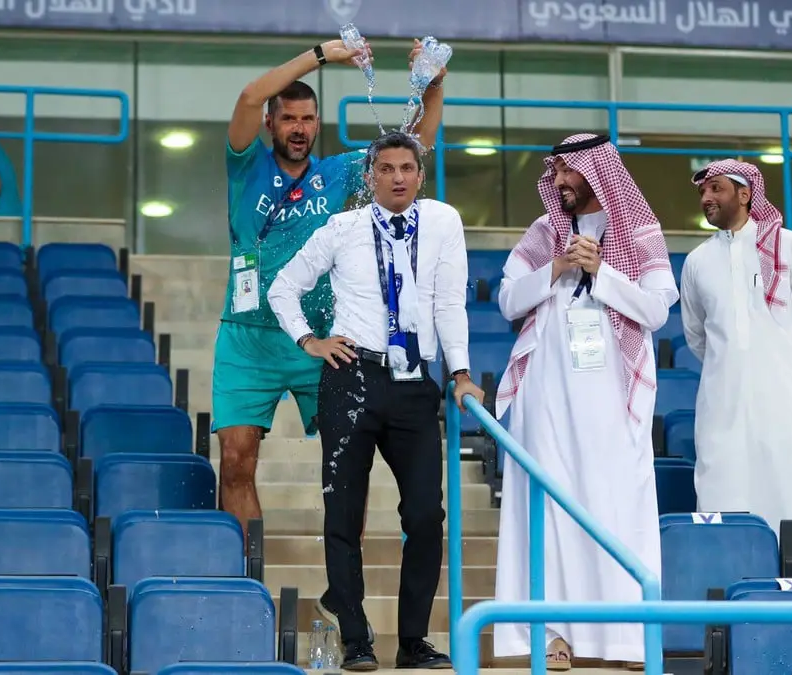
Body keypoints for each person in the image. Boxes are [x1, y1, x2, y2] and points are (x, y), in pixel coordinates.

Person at [213, 39, 446, 534]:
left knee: (347, 470)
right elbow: (250, 97)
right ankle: (246, 585)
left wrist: (434, 87)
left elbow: (412, 149)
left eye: (308, 119)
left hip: (324, 340)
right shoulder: (245, 166)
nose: (299, 129)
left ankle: (343, 594)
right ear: (272, 125)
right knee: (235, 460)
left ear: (318, 125)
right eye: (289, 118)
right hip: (247, 339)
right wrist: (320, 56)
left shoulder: (337, 173)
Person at [269, 130, 482, 670]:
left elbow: (451, 301)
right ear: (371, 176)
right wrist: (309, 341)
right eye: (385, 168)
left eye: (406, 167)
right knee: (342, 515)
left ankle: (413, 641)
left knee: (427, 515)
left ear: (420, 174)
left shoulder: (442, 222)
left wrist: (460, 372)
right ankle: (356, 640)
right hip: (351, 380)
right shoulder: (342, 228)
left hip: (414, 384)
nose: (397, 177)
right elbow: (282, 287)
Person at [492, 133, 677, 670]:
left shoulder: (638, 231)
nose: (560, 182)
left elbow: (658, 310)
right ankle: (551, 636)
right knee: (547, 508)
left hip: (610, 397)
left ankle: (622, 639)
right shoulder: (544, 231)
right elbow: (507, 299)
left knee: (613, 505)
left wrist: (602, 271)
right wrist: (554, 268)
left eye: (569, 172)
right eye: (556, 173)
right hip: (546, 393)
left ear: (598, 173)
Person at [680, 159, 792, 530]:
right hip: (724, 398)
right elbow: (696, 335)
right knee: (727, 485)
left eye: (716, 188)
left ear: (745, 193)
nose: (706, 197)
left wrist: (779, 358)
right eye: (702, 190)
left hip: (787, 395)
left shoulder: (788, 245)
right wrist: (735, 362)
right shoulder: (696, 262)